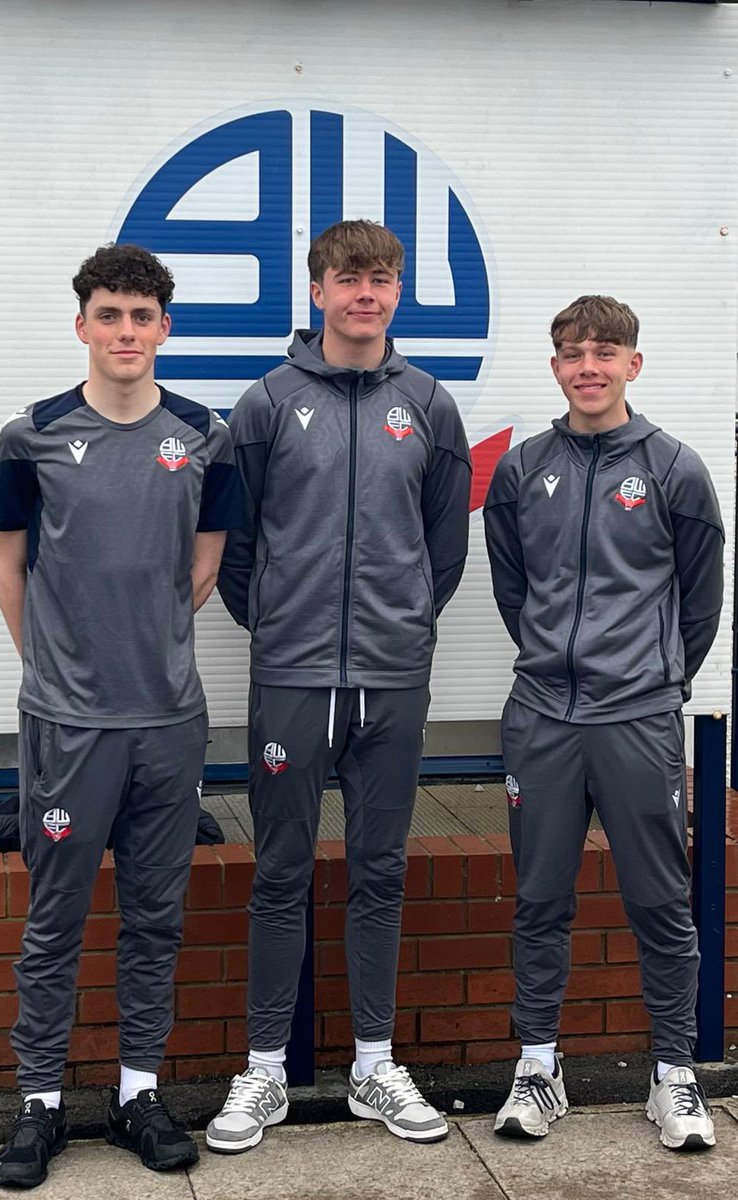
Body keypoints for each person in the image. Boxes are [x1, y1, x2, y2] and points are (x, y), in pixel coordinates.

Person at [209, 219, 472, 1152]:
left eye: (381, 279)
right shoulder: (269, 402)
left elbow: (444, 549)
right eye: (348, 278)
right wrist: (283, 624)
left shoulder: (431, 405)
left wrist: (397, 621)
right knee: (279, 873)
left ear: (398, 292)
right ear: (317, 290)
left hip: (394, 677)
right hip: (292, 675)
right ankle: (266, 1072)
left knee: (381, 872)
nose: (365, 293)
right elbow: (235, 551)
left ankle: (371, 1065)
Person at [0, 243, 241, 1188]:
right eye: (110, 315)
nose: (126, 332)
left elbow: (203, 566)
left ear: (164, 328)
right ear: (83, 324)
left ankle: (138, 1092)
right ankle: (38, 1104)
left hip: (168, 720)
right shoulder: (32, 437)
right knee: (53, 919)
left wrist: (148, 647)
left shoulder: (202, 436)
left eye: (143, 317)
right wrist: (54, 666)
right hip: (67, 723)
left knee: (156, 919)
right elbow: (10, 565)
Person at [483, 295, 724, 1151]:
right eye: (573, 352)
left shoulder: (674, 469)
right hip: (544, 716)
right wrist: (559, 662)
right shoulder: (522, 470)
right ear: (555, 367)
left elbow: (699, 605)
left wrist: (652, 682)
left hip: (638, 719)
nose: (589, 365)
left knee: (660, 902)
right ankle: (538, 1069)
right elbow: (516, 591)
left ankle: (673, 1075)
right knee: (540, 901)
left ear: (633, 363)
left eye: (606, 350)